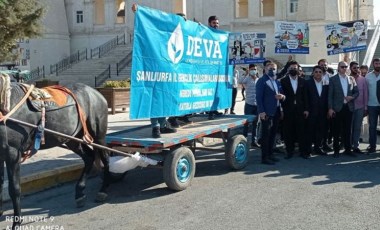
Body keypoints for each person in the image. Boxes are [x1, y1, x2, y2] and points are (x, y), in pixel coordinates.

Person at [131, 3, 177, 138]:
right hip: (152, 69)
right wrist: (138, 13)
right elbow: (147, 25)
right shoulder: (153, 36)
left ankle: (162, 125)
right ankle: (156, 127)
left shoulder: (168, 38)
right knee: (154, 99)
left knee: (163, 99)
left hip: (166, 71)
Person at [256, 61, 285, 165]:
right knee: (266, 135)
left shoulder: (277, 81)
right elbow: (258, 98)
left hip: (276, 111)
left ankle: (271, 154)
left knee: (273, 134)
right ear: (265, 69)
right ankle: (265, 157)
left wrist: (282, 97)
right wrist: (262, 111)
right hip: (267, 112)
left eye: (274, 69)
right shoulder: (262, 81)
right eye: (270, 69)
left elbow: (282, 94)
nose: (272, 70)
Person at [328, 61, 359, 157]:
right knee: (336, 130)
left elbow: (356, 92)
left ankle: (348, 150)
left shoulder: (351, 78)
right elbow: (330, 95)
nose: (344, 68)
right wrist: (330, 108)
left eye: (346, 66)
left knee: (348, 130)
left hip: (348, 108)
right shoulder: (333, 79)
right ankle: (336, 151)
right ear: (338, 68)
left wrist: (352, 97)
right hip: (337, 108)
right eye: (342, 66)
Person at [167, 12, 192, 127]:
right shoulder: (171, 33)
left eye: (184, 20)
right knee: (174, 96)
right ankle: (172, 118)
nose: (183, 22)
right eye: (181, 20)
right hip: (174, 71)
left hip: (185, 72)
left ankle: (183, 116)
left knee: (186, 95)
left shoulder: (186, 34)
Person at [280, 60, 309, 159]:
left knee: (301, 131)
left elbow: (305, 96)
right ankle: (289, 151)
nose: (293, 70)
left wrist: (306, 109)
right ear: (288, 70)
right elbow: (281, 98)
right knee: (288, 131)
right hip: (288, 110)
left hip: (300, 110)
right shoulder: (283, 81)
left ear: (298, 69)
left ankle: (303, 152)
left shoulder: (303, 81)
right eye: (291, 68)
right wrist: (282, 110)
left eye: (295, 68)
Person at [305, 66, 329, 156]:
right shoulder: (308, 83)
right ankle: (308, 150)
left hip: (323, 112)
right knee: (310, 130)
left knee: (321, 130)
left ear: (322, 74)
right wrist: (306, 109)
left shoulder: (326, 84)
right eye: (316, 72)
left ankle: (318, 148)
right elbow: (305, 97)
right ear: (313, 73)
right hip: (311, 111)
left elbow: (327, 98)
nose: (318, 73)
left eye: (320, 72)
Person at [238, 64, 259, 147]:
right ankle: (244, 139)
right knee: (246, 123)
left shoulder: (258, 80)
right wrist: (246, 73)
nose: (254, 71)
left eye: (255, 69)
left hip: (257, 104)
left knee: (255, 123)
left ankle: (254, 141)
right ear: (249, 70)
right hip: (249, 104)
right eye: (252, 69)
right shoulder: (247, 79)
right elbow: (240, 81)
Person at [207, 15, 223, 120]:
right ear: (209, 24)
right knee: (209, 91)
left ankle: (214, 109)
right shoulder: (206, 34)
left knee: (217, 90)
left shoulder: (221, 36)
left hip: (217, 68)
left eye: (217, 23)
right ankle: (210, 112)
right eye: (214, 23)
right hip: (208, 69)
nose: (216, 25)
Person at [350, 61, 368, 154]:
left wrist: (365, 108)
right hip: (349, 107)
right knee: (349, 127)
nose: (356, 69)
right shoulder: (347, 78)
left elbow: (365, 94)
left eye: (357, 68)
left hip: (360, 107)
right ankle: (348, 146)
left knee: (357, 127)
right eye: (354, 68)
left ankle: (355, 146)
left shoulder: (363, 80)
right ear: (350, 68)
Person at [366, 58, 380, 153]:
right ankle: (372, 146)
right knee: (372, 126)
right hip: (371, 105)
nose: (378, 65)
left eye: (379, 63)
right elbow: (365, 91)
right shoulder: (368, 76)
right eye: (376, 63)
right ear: (373, 64)